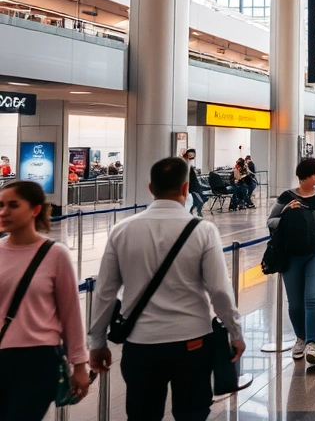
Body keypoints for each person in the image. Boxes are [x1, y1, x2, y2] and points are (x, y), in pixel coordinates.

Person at [88, 157, 244, 420]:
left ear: (151, 188)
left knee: (142, 413)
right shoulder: (203, 231)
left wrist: (97, 342)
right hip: (192, 341)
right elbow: (219, 290)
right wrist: (235, 331)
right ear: (186, 189)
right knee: (192, 412)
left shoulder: (122, 230)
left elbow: (105, 292)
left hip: (141, 344)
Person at [0, 181, 90, 419]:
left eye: (13, 205)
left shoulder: (55, 254)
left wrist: (79, 365)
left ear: (35, 209)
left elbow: (71, 313)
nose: (4, 212)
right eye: (0, 205)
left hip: (38, 360)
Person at [267, 157, 315, 365]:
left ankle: (312, 344)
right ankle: (300, 338)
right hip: (292, 251)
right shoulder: (286, 196)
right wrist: (286, 211)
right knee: (296, 302)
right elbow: (270, 221)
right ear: (307, 176)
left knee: (312, 297)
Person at [183, 149, 206, 217]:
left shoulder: (189, 163)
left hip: (192, 186)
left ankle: (192, 212)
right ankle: (191, 212)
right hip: (190, 187)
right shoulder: (185, 163)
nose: (191, 156)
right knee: (196, 200)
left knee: (194, 200)